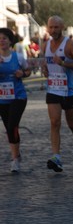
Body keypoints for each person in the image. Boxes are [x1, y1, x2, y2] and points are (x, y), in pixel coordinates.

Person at [41, 16, 73, 172]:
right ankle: (56, 156)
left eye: (56, 27)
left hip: (69, 89)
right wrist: (45, 69)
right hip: (53, 88)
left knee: (72, 123)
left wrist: (63, 63)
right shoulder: (45, 44)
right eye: (51, 27)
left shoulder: (70, 44)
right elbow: (45, 63)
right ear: (47, 28)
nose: (53, 30)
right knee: (55, 122)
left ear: (62, 27)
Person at [0, 27, 30, 173]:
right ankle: (17, 155)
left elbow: (28, 71)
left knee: (12, 125)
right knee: (9, 129)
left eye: (4, 38)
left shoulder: (18, 57)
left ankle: (14, 160)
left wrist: (22, 73)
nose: (1, 41)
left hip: (18, 96)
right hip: (2, 99)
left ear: (10, 41)